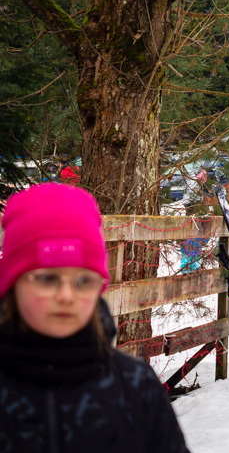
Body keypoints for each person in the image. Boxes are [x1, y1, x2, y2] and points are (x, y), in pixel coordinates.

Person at [0, 183, 190, 451]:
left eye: (84, 280)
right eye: (46, 278)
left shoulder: (136, 386)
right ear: (11, 283)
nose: (66, 296)